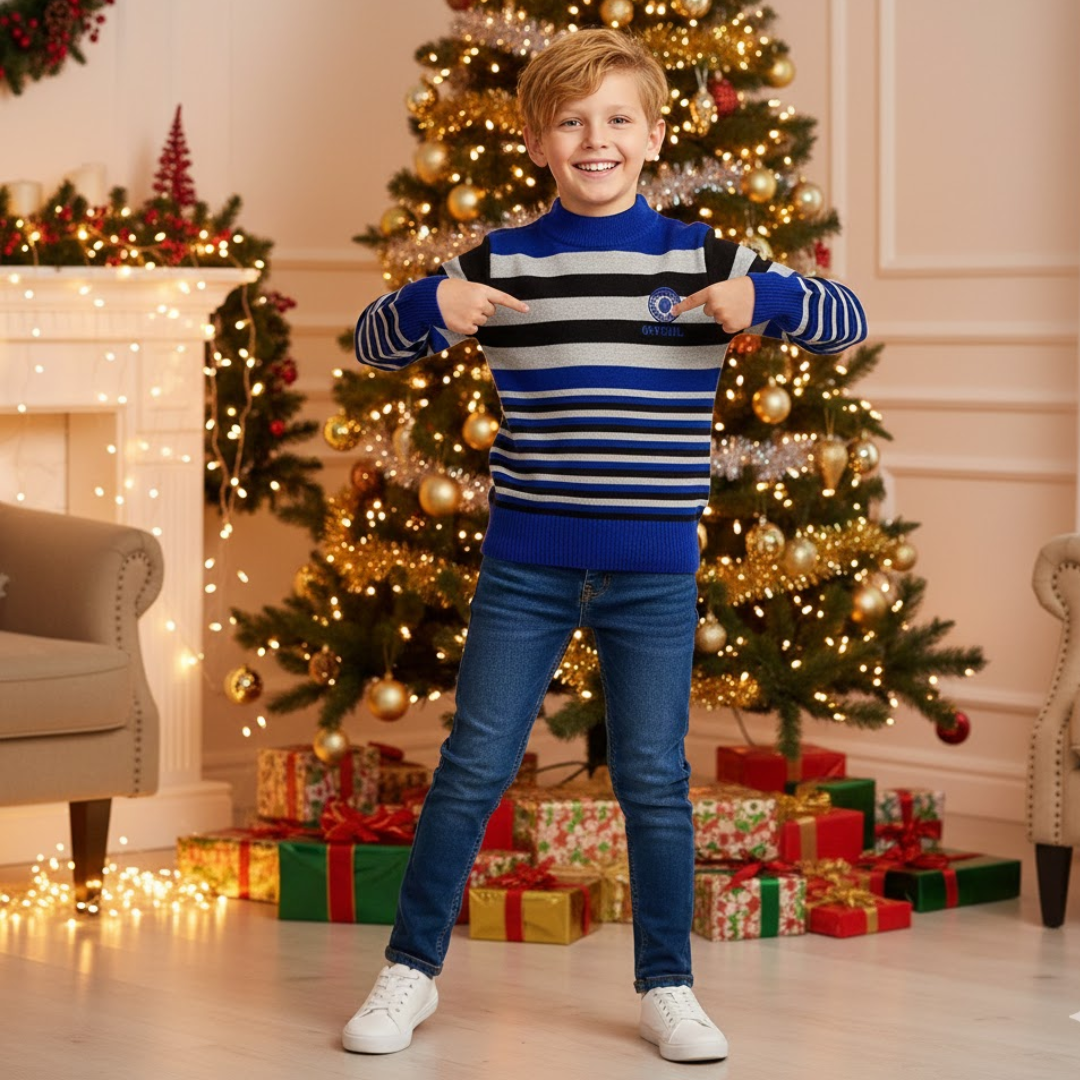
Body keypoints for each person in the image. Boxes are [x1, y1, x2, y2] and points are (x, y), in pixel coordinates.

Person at [343, 27, 866, 1064]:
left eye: (618, 119)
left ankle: (667, 986)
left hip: (654, 571)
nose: (596, 139)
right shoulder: (500, 258)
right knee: (474, 764)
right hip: (526, 567)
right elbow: (367, 341)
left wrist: (764, 295)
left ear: (654, 133)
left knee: (654, 782)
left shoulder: (701, 255)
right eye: (572, 122)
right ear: (539, 141)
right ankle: (409, 973)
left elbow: (844, 318)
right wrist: (424, 303)